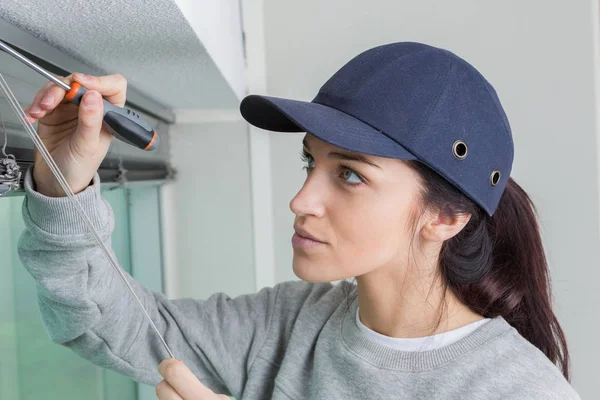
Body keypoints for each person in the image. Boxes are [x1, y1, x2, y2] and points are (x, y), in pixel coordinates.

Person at [18, 42, 579, 399]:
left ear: (447, 215)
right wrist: (64, 181)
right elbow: (105, 324)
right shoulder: (290, 325)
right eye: (311, 161)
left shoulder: (516, 390)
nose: (301, 199)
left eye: (351, 175)